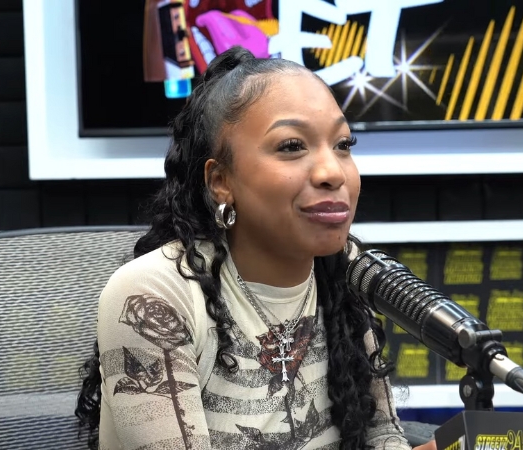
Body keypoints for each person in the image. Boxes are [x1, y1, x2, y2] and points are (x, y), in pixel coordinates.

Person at [76, 46, 438, 450]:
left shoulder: (347, 274)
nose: (332, 172)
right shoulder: (153, 298)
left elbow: (381, 434)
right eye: (291, 146)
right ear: (220, 182)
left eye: (343, 144)